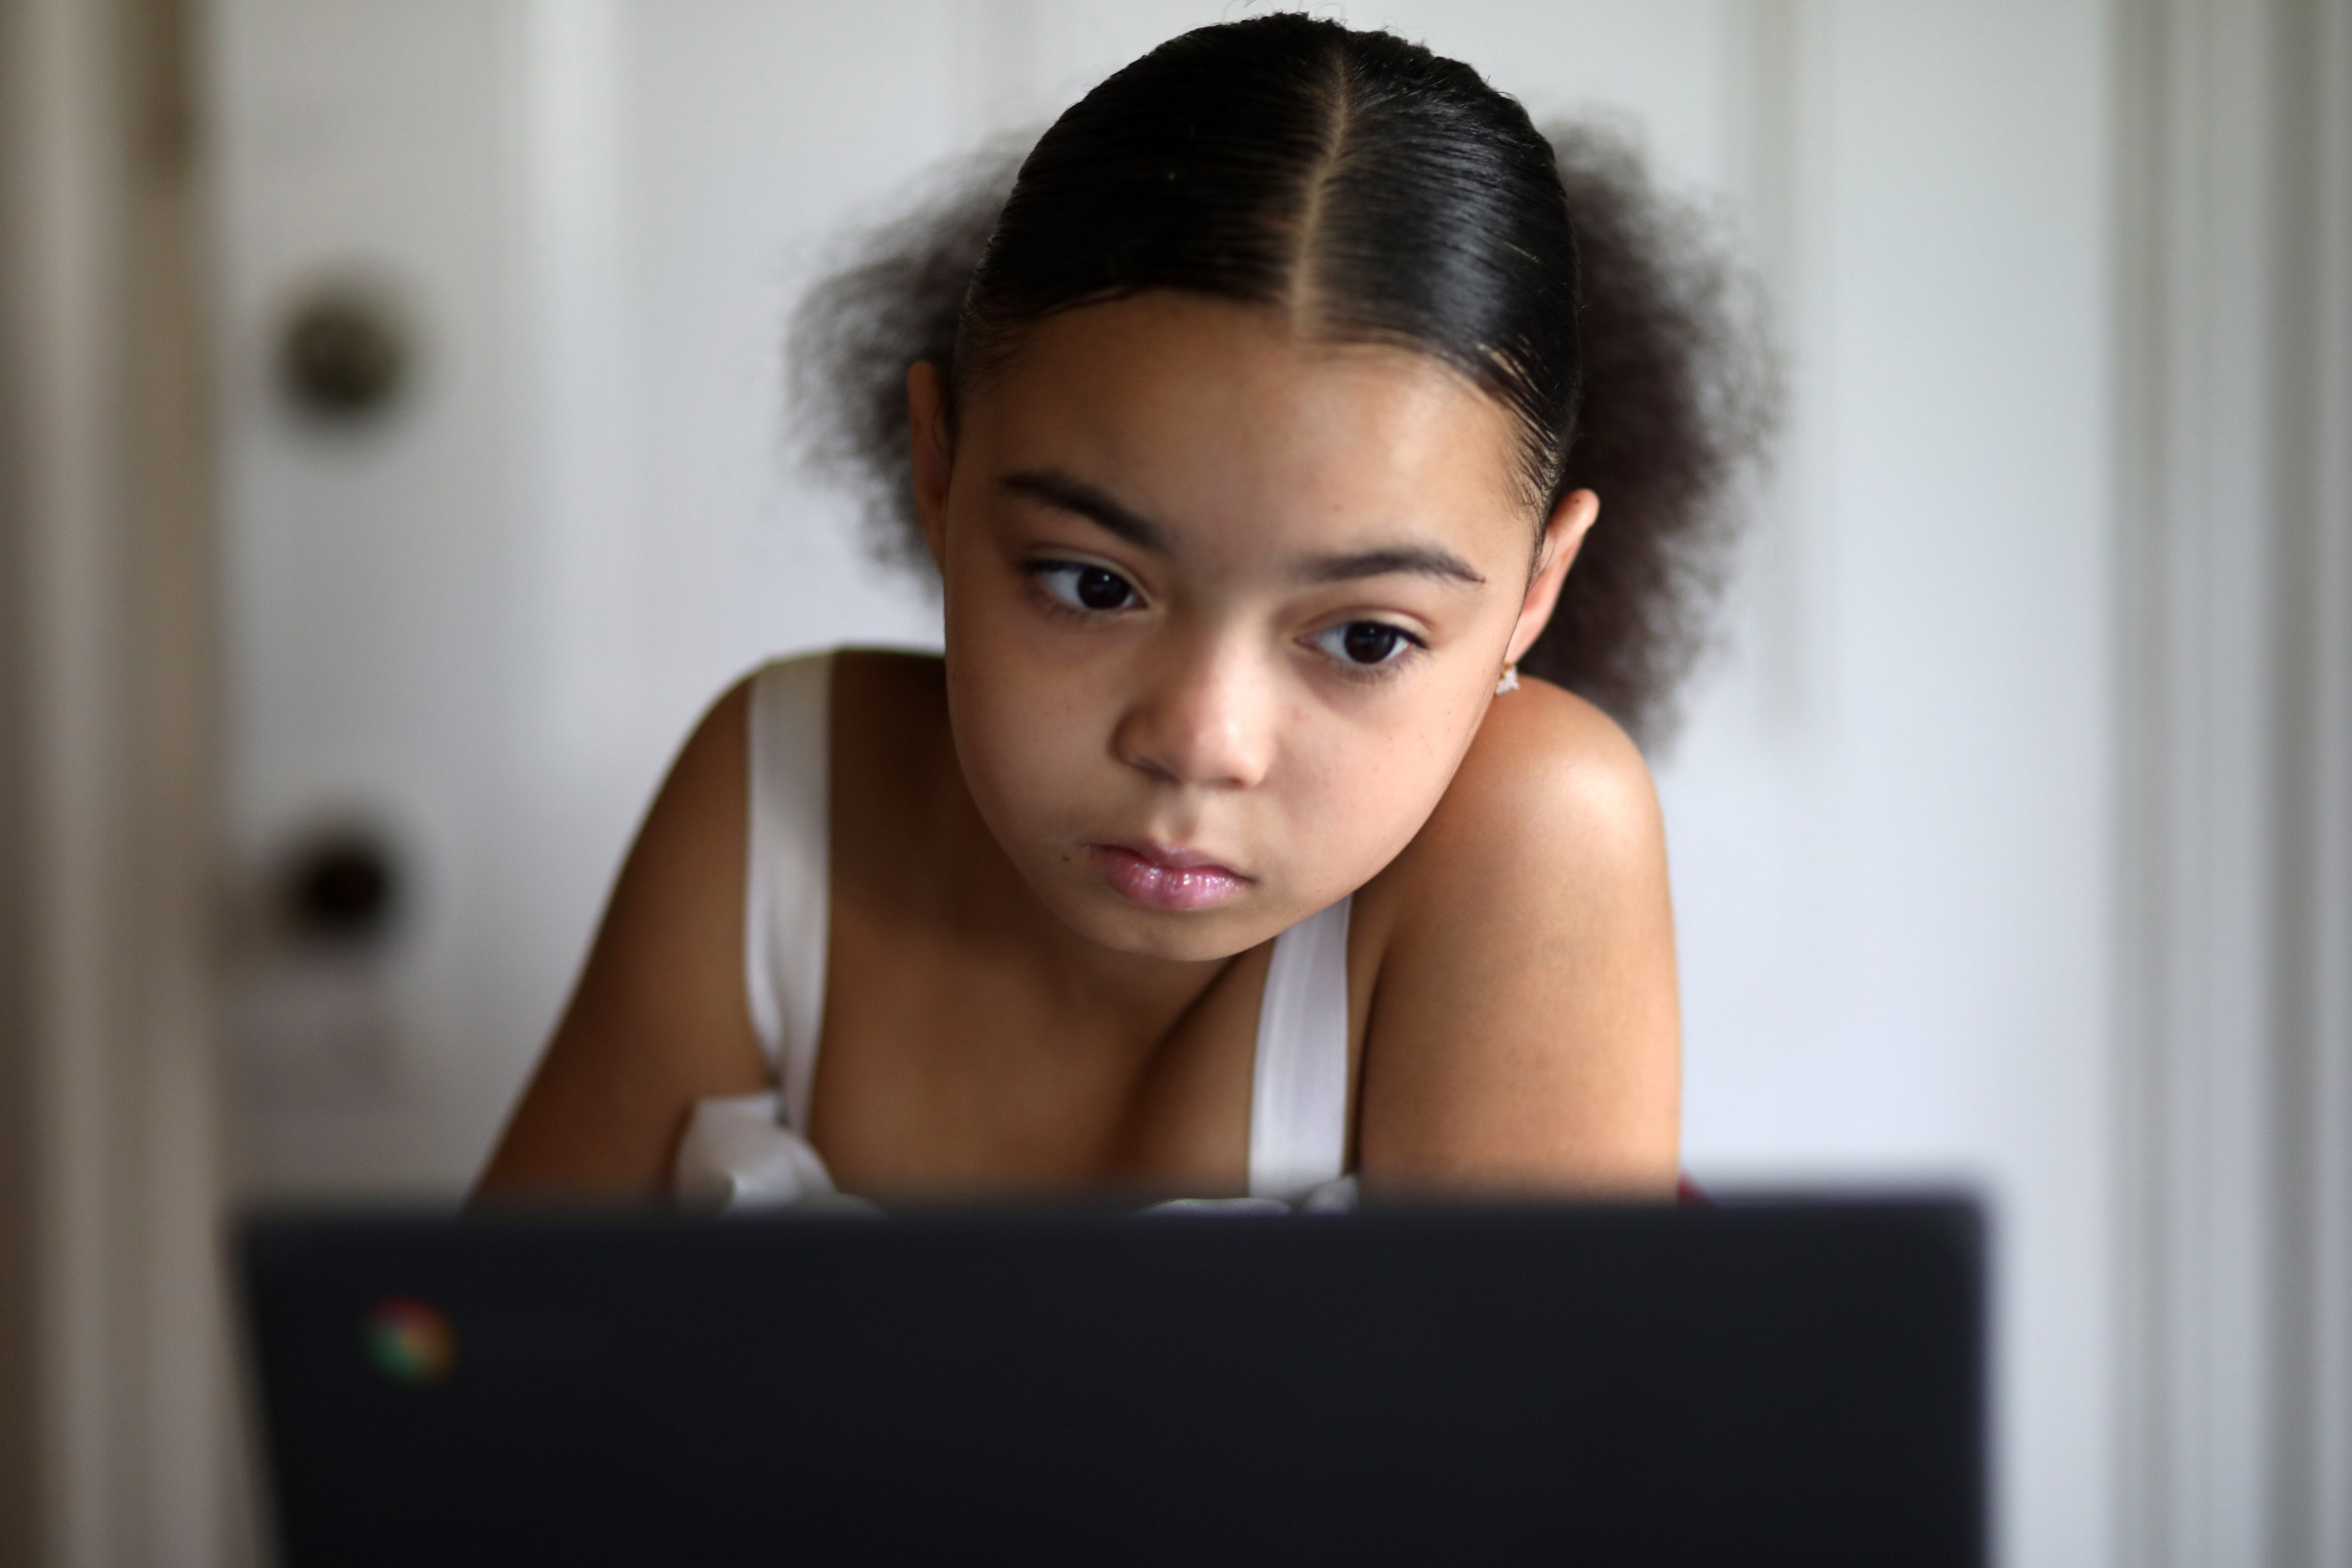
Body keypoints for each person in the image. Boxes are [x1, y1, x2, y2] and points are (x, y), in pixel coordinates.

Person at [476, 14, 1769, 1210]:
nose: (1202, 740)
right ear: (941, 469)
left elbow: (1536, 1455)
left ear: (1536, 591)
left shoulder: (1539, 826)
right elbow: (468, 1392)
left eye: (1366, 638)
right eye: (1095, 586)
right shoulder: (776, 793)